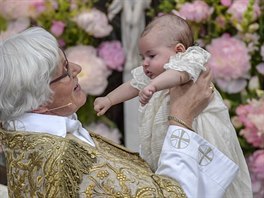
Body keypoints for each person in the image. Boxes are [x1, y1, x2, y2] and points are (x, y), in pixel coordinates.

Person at [0, 26, 238, 198]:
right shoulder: (66, 161)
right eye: (64, 70)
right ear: (39, 102)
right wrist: (181, 118)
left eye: (68, 61)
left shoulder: (22, 136)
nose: (77, 68)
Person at [94, 14, 252, 197]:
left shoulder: (189, 60)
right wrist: (109, 100)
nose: (145, 62)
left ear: (179, 50)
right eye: (142, 57)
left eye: (151, 55)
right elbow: (132, 85)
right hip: (170, 133)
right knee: (168, 173)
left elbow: (179, 75)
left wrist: (153, 86)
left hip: (199, 133)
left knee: (203, 179)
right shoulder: (153, 72)